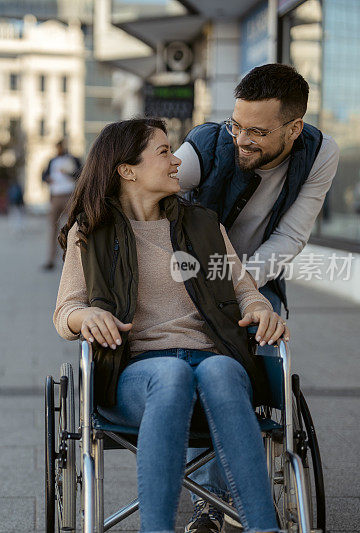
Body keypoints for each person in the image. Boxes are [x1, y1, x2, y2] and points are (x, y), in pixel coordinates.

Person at [54, 118, 287, 533]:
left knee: (219, 369)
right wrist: (86, 314)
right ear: (128, 170)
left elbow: (244, 290)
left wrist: (262, 310)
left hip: (213, 357)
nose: (177, 160)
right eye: (164, 152)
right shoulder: (90, 232)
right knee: (172, 373)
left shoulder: (203, 225)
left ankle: (264, 528)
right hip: (137, 372)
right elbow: (65, 312)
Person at [174, 63, 339, 533]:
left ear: (294, 128)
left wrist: (242, 287)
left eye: (258, 132)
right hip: (193, 272)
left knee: (260, 350)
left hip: (258, 270)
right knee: (198, 352)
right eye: (237, 124)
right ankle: (211, 497)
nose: (242, 139)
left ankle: (229, 479)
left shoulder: (321, 152)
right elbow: (147, 190)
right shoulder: (206, 146)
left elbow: (291, 235)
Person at [42, 139, 81, 270]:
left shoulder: (73, 159)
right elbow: (44, 175)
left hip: (69, 195)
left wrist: (68, 173)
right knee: (52, 228)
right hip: (55, 196)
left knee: (73, 227)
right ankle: (51, 259)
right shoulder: (52, 161)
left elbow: (80, 174)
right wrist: (48, 179)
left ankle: (74, 260)